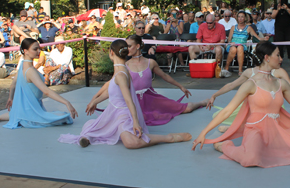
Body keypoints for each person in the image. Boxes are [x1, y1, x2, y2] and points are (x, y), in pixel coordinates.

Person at [192, 41, 290, 168]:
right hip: (255, 130)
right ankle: (224, 146)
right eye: (278, 55)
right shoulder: (251, 83)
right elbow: (227, 110)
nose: (281, 59)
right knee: (251, 159)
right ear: (267, 58)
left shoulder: (282, 83)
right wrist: (204, 133)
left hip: (277, 128)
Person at [59, 39, 191, 148]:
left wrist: (135, 121)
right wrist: (95, 100)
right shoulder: (120, 70)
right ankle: (88, 137)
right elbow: (114, 93)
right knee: (90, 125)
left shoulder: (121, 74)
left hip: (123, 114)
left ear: (111, 53)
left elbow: (129, 100)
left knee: (130, 142)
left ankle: (169, 137)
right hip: (114, 112)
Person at [88, 35, 209, 126]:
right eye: (126, 46)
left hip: (151, 97)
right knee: (129, 120)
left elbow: (165, 76)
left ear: (138, 46)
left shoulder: (150, 62)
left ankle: (202, 102)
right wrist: (95, 98)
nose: (127, 49)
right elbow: (110, 85)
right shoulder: (125, 66)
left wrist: (181, 86)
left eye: (129, 46)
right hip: (134, 100)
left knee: (185, 108)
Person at [0, 38, 77, 127]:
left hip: (23, 108)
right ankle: (17, 118)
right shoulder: (30, 71)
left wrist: (10, 98)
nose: (38, 51)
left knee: (17, 113)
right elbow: (46, 91)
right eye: (35, 49)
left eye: (39, 48)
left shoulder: (22, 67)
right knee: (65, 117)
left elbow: (13, 85)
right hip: (31, 110)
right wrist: (66, 102)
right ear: (26, 51)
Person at [221, 11, 265, 77]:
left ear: (245, 18)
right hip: (232, 45)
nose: (240, 18)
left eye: (242, 17)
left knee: (240, 47)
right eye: (239, 17)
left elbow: (258, 37)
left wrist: (265, 39)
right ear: (237, 18)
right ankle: (226, 67)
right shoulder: (233, 27)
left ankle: (240, 69)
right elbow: (229, 39)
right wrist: (231, 43)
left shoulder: (249, 28)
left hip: (242, 45)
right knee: (233, 48)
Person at [272, 0, 290, 68]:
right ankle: (280, 59)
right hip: (279, 27)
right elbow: (273, 16)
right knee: (279, 44)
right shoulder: (276, 6)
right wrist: (278, 9)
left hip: (288, 27)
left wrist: (287, 8)